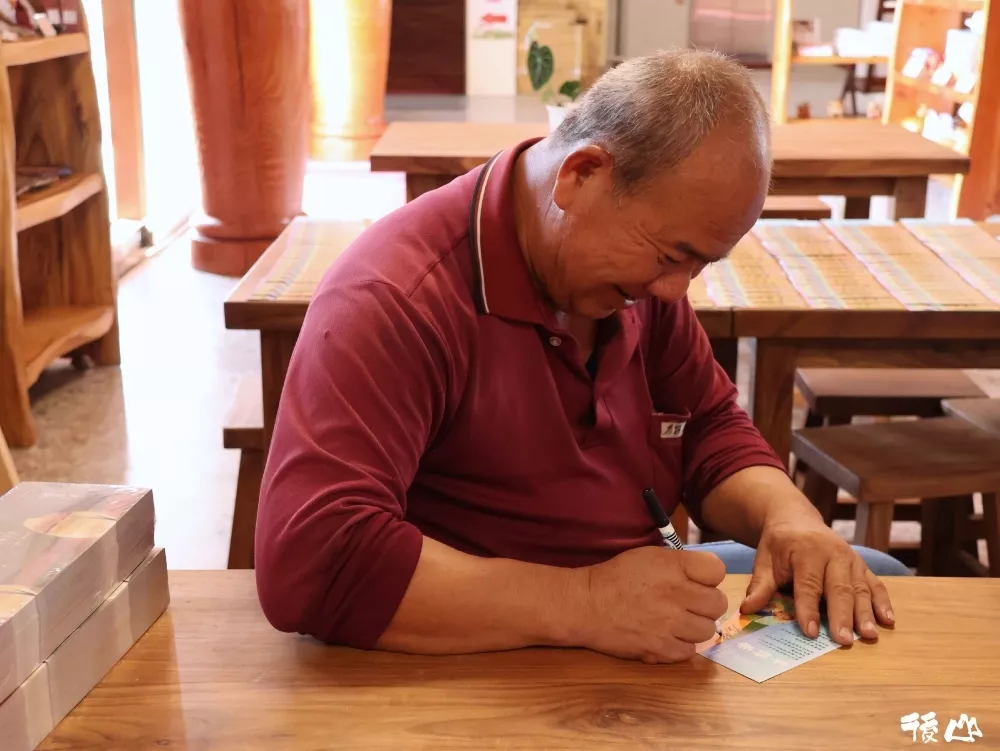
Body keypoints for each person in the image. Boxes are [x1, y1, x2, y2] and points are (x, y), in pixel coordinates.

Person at [254, 49, 908, 666]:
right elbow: (314, 560)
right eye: (671, 255)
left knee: (885, 588)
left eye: (701, 265)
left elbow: (706, 427)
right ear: (581, 174)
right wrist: (585, 604)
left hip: (633, 613)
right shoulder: (397, 298)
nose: (675, 291)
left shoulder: (632, 280)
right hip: (499, 656)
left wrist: (788, 517)